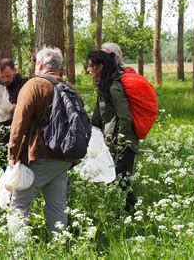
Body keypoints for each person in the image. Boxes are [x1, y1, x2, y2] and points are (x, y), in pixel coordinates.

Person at [8, 47, 76, 239]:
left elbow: (19, 122)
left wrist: (12, 155)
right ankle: (59, 248)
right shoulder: (69, 88)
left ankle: (18, 252)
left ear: (39, 64)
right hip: (64, 156)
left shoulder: (34, 85)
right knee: (57, 208)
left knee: (18, 203)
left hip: (39, 155)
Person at [87, 50, 138, 213]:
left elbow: (124, 117)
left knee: (122, 181)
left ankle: (133, 214)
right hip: (111, 140)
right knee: (117, 179)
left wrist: (121, 142)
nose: (88, 70)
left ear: (100, 67)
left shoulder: (113, 87)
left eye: (90, 66)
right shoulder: (104, 85)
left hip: (122, 143)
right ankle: (124, 213)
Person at [0, 58, 28, 170]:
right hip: (2, 135)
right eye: (2, 77)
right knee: (4, 166)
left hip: (18, 135)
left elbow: (25, 111)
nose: (5, 79)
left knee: (19, 168)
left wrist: (9, 107)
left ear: (14, 70)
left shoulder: (25, 85)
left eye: (8, 76)